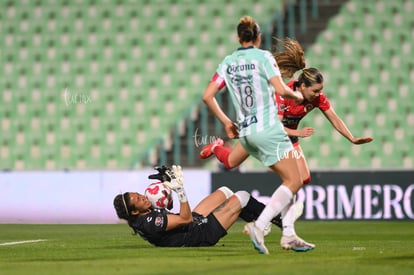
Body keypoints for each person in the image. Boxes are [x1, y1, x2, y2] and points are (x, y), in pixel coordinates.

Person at [201, 37, 373, 189]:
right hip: (266, 130)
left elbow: (334, 118)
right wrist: (298, 132)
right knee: (231, 162)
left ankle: (283, 217)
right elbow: (276, 125)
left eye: (320, 90)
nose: (319, 94)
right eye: (316, 90)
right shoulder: (283, 94)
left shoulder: (316, 98)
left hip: (288, 137)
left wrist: (352, 138)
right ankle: (216, 147)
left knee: (303, 178)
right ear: (302, 86)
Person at [201, 16, 310, 254]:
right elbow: (281, 89)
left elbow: (207, 96)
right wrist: (298, 97)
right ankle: (259, 227)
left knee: (231, 160)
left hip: (246, 131)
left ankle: (289, 235)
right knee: (295, 180)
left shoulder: (228, 63)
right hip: (268, 129)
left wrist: (227, 123)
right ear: (258, 37)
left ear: (238, 37)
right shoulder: (263, 58)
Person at [113, 165, 295, 248]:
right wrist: (180, 190)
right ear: (135, 211)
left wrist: (167, 184)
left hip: (192, 225)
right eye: (138, 199)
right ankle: (277, 221)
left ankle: (260, 223)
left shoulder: (144, 217)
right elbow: (185, 218)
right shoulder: (151, 221)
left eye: (138, 194)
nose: (143, 197)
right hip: (200, 234)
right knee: (242, 197)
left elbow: (170, 210)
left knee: (225, 191)